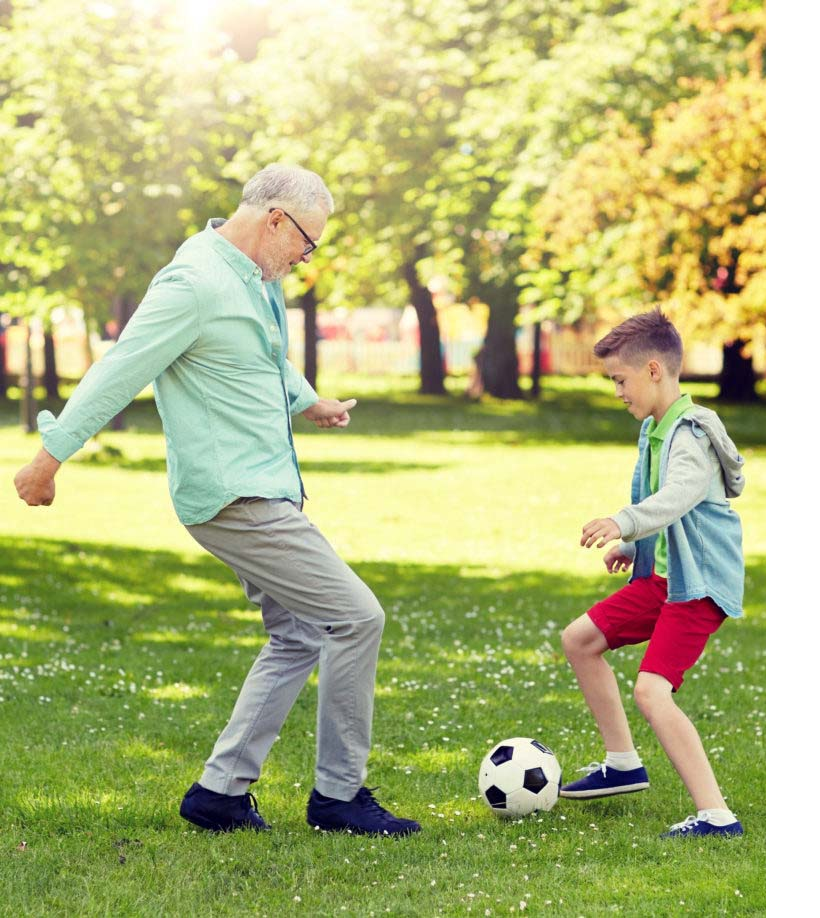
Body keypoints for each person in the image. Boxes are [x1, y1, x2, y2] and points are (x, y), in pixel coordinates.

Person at [13, 163, 421, 838]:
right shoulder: (194, 282)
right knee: (356, 618)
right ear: (274, 220)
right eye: (306, 243)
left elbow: (260, 356)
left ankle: (219, 795)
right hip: (236, 496)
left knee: (295, 634)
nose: (305, 258)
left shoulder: (251, 279)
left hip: (264, 488)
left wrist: (307, 399)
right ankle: (338, 798)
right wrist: (48, 458)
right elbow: (122, 368)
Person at [559, 308, 746, 839]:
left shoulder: (689, 434)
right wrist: (633, 542)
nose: (618, 391)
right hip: (666, 579)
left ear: (655, 370)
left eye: (620, 379)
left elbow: (677, 498)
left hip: (699, 585)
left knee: (652, 691)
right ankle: (622, 764)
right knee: (580, 639)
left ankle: (717, 816)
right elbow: (659, 508)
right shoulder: (654, 429)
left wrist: (622, 520)